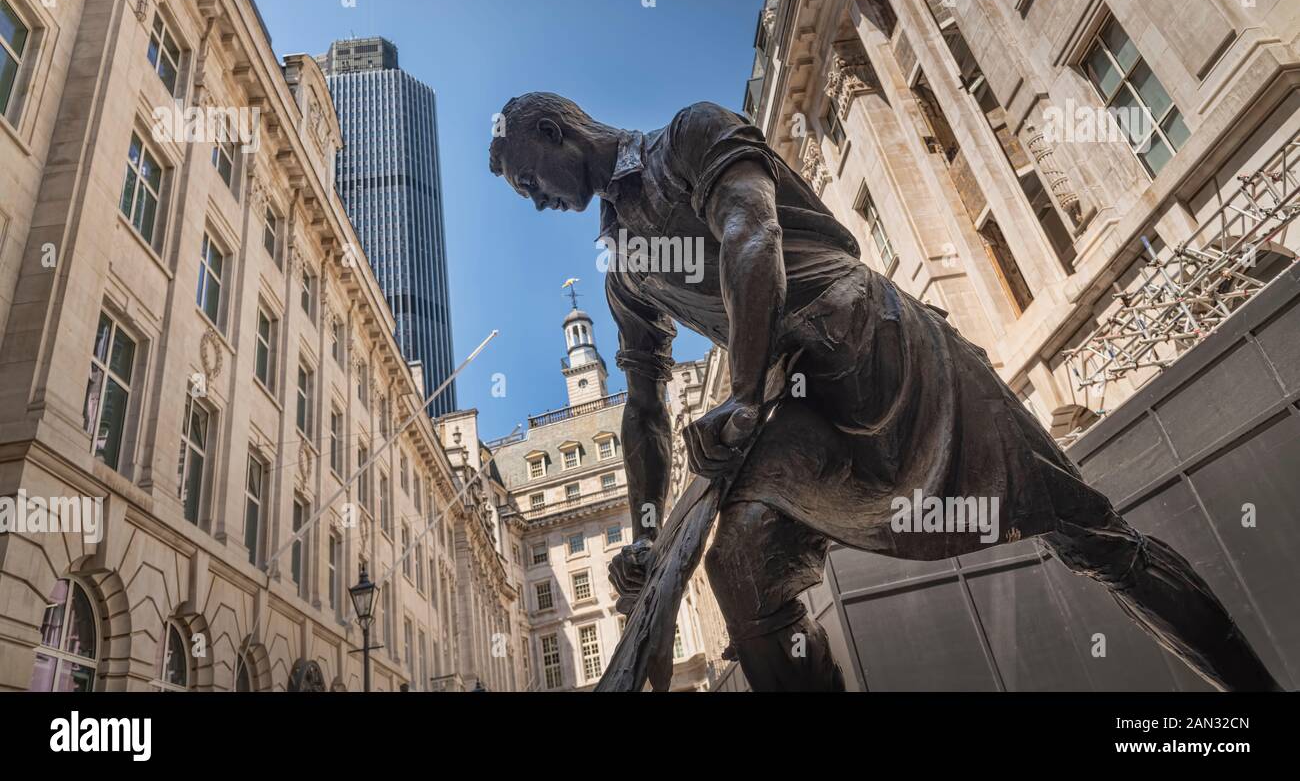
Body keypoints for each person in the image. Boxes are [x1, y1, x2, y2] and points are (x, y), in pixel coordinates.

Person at [489, 92, 1282, 692]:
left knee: (1087, 532)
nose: (534, 201)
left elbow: (751, 235)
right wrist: (646, 531)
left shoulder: (690, 135)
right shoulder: (622, 265)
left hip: (874, 342)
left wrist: (737, 393)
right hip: (788, 398)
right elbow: (643, 407)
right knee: (742, 563)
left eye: (530, 179)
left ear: (559, 134)